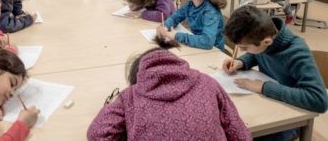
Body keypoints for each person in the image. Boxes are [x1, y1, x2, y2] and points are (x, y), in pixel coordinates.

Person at [87, 37, 252, 141]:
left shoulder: (130, 96)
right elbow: (240, 133)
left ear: (139, 77)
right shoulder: (208, 83)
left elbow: (96, 134)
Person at [222, 6, 328, 141]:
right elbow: (258, 54)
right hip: (266, 104)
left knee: (241, 134)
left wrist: (264, 87)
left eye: (244, 48)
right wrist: (241, 62)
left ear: (267, 42)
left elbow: (319, 100)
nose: (243, 50)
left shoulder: (297, 53)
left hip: (289, 118)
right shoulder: (264, 37)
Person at [157, 0, 226, 51]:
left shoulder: (210, 11)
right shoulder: (190, 4)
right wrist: (165, 26)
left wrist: (176, 36)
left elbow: (207, 42)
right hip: (196, 47)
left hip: (213, 53)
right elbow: (175, 17)